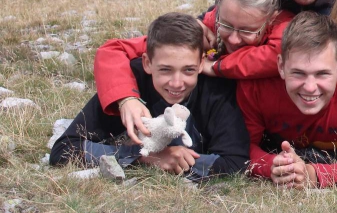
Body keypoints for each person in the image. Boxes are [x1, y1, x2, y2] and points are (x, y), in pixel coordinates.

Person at [94, 0, 290, 144]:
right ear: (217, 10)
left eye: (247, 31)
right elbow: (114, 50)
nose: (233, 38)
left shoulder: (285, 34)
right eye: (226, 25)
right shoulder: (205, 30)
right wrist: (126, 99)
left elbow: (278, 54)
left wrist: (216, 66)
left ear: (271, 19)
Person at [51, 13, 249, 181]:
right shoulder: (130, 84)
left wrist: (180, 160)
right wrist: (146, 157)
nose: (177, 83)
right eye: (165, 70)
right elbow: (64, 149)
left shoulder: (216, 89)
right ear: (147, 63)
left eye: (188, 70)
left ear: (201, 64)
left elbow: (236, 163)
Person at [238, 11, 337, 189]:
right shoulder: (254, 86)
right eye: (298, 73)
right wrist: (274, 166)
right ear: (281, 66)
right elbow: (241, 146)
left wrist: (312, 175)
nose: (309, 87)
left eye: (322, 74)